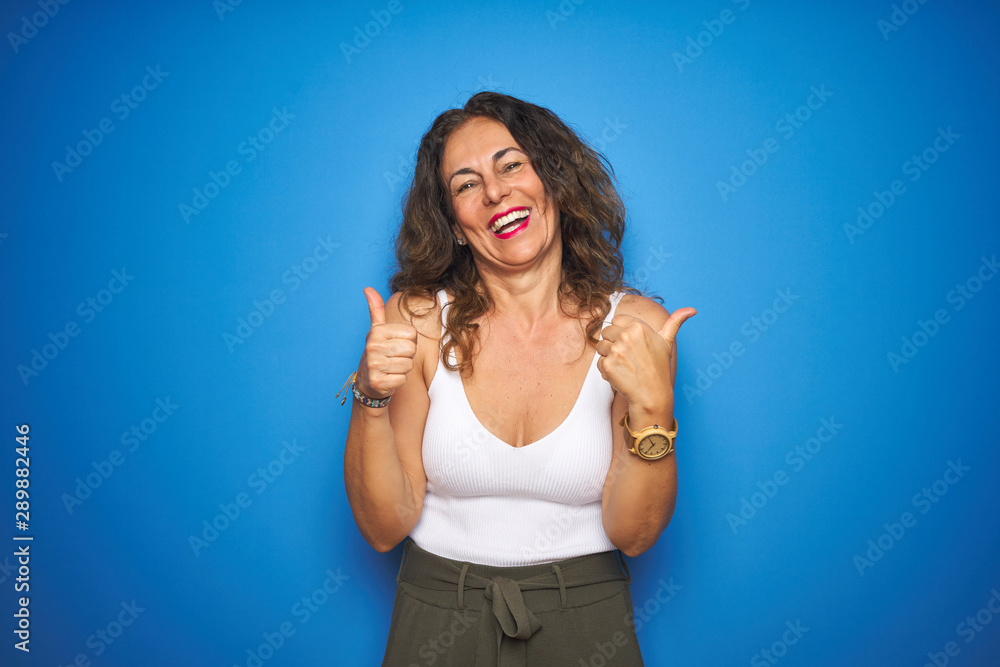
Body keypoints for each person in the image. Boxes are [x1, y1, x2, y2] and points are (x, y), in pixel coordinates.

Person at [342, 91, 696, 666]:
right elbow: (384, 528)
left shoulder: (634, 329)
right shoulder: (417, 322)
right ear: (455, 225)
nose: (495, 192)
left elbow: (635, 534)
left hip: (587, 616)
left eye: (511, 166)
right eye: (465, 184)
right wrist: (370, 395)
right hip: (438, 611)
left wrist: (652, 408)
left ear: (552, 182)